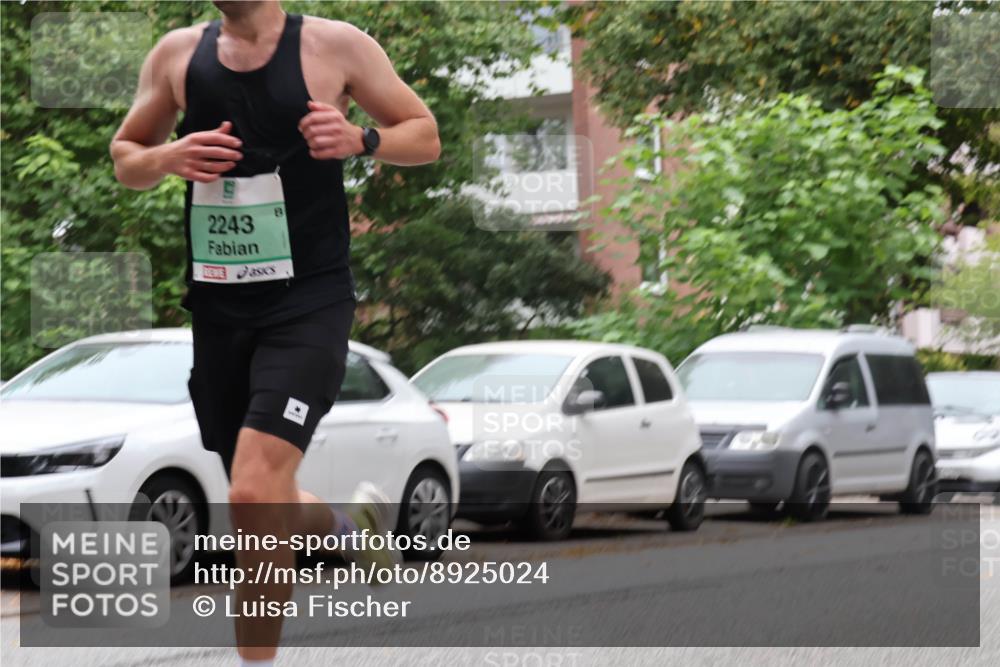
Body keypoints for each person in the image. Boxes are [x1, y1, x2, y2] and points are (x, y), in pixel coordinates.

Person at [110, 1, 440, 664]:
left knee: (254, 492)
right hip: (220, 307)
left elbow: (424, 135)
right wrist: (169, 156)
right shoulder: (177, 54)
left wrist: (363, 140)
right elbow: (126, 156)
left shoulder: (334, 46)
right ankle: (350, 524)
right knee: (261, 498)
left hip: (308, 302)